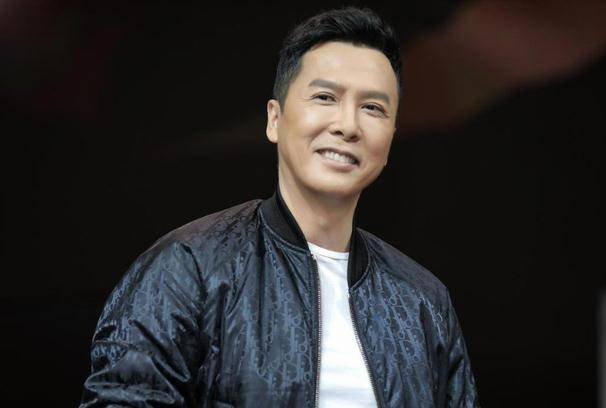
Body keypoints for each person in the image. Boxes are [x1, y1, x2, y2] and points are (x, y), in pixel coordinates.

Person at [80, 6, 479, 407]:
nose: (348, 125)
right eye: (325, 97)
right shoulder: (189, 268)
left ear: (391, 136)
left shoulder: (422, 300)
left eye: (372, 108)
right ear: (274, 119)